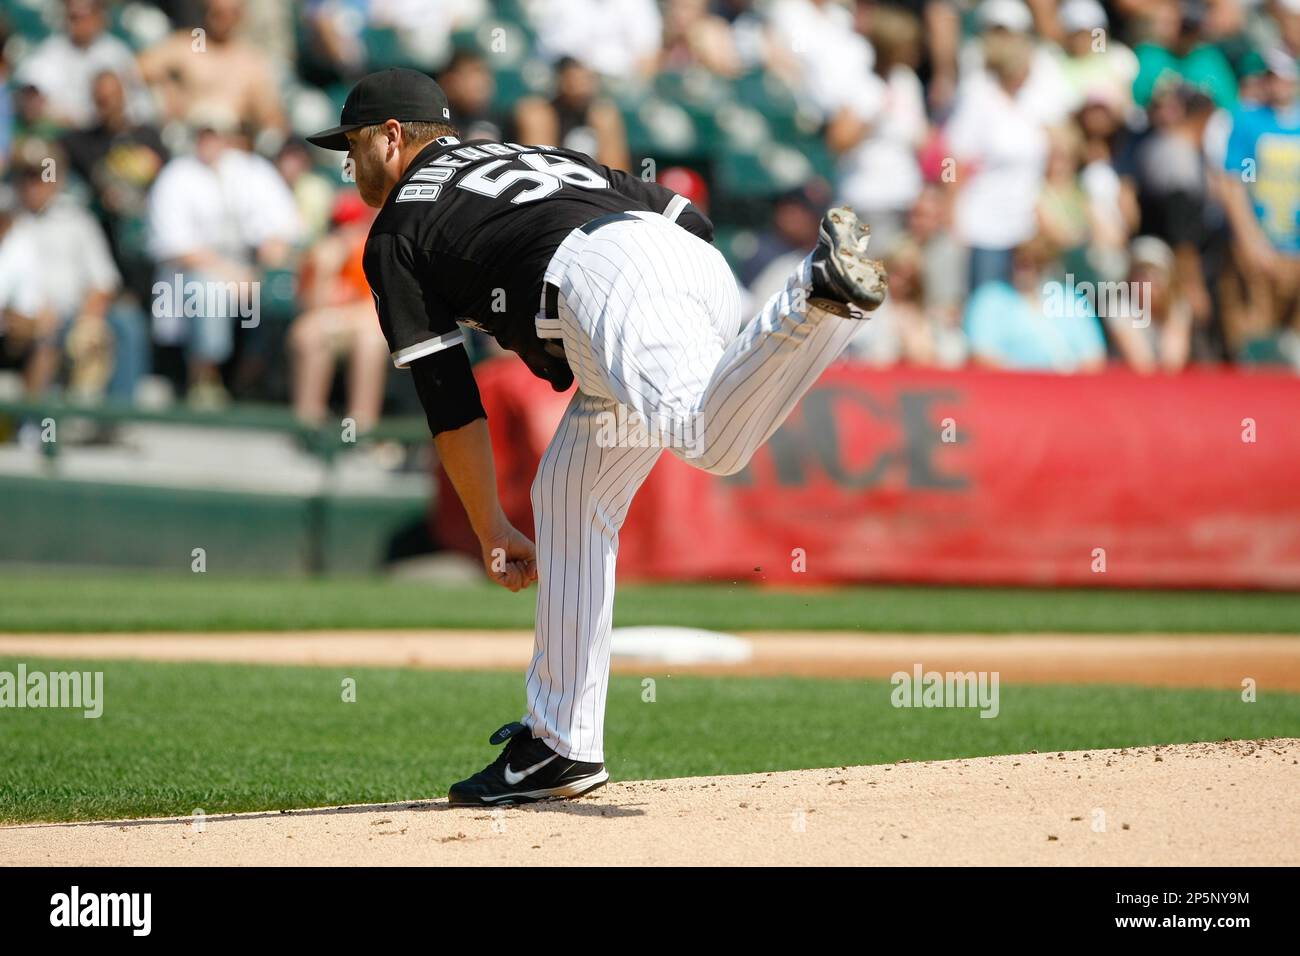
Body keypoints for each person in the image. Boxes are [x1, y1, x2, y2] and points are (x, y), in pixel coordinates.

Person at [307, 68, 887, 805]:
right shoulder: (517, 155)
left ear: (393, 138)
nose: (348, 164)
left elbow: (449, 403)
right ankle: (559, 746)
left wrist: (488, 525)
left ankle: (816, 296)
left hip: (600, 283)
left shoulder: (396, 232)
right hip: (679, 261)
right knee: (571, 493)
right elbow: (684, 214)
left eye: (353, 146)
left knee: (712, 440)